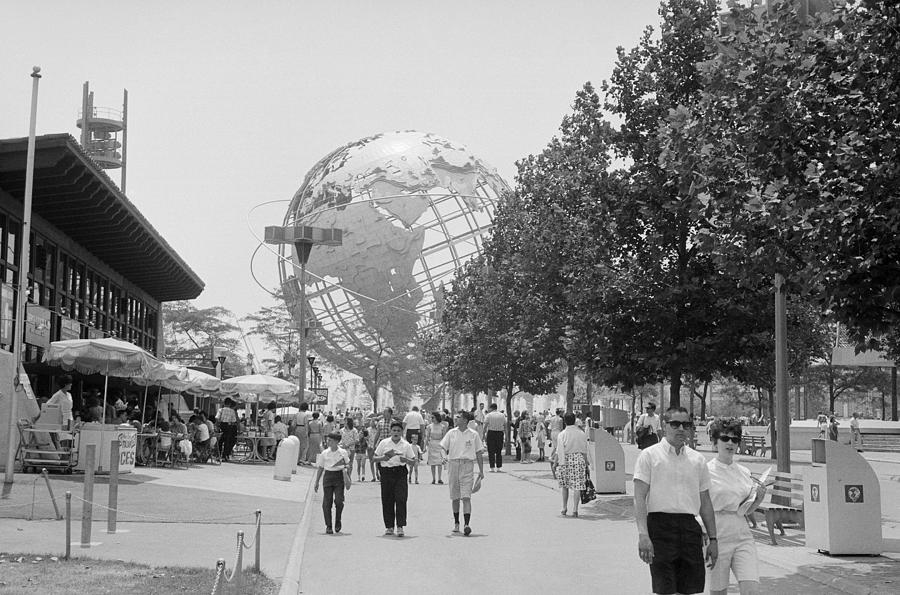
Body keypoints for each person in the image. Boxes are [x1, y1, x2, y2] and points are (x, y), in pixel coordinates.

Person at [634, 406, 718, 595]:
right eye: (675, 424)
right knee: (666, 590)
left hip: (689, 528)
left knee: (689, 590)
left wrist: (713, 538)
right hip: (660, 528)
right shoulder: (649, 455)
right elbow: (639, 498)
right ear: (664, 426)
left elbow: (705, 502)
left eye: (686, 424)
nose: (681, 428)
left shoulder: (698, 460)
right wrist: (643, 535)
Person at [706, 418, 766, 595]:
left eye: (735, 439)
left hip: (741, 532)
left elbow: (745, 509)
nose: (730, 443)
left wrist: (758, 499)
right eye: (725, 438)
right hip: (716, 533)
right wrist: (707, 536)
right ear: (715, 442)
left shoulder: (744, 472)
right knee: (718, 590)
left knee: (751, 588)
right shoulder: (705, 471)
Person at [441, 410, 485, 536]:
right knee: (455, 496)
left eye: (459, 417)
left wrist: (481, 471)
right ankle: (456, 523)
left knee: (466, 496)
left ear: (465, 420)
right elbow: (443, 447)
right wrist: (444, 456)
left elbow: (478, 452)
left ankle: (467, 524)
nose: (456, 418)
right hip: (453, 464)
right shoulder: (451, 433)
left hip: (467, 465)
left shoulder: (473, 434)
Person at [373, 421, 416, 536]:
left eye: (398, 431)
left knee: (401, 499)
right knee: (387, 500)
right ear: (390, 431)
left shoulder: (406, 445)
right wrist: (385, 457)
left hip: (400, 473)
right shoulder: (384, 443)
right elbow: (374, 458)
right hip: (386, 472)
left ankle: (400, 526)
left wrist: (406, 460)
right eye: (394, 430)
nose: (396, 433)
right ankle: (389, 526)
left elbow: (413, 461)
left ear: (402, 432)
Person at [313, 432, 351, 534]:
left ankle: (338, 520)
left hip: (339, 477)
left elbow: (347, 464)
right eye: (328, 440)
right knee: (327, 502)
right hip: (328, 477)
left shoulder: (343, 452)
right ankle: (328, 525)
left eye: (330, 440)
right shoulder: (324, 453)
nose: (328, 442)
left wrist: (347, 475)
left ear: (336, 442)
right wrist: (316, 481)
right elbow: (321, 467)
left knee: (339, 501)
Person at [554, 413, 590, 517]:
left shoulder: (562, 434)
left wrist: (555, 463)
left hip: (565, 460)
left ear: (564, 421)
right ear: (574, 420)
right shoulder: (581, 433)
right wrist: (586, 462)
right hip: (578, 459)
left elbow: (558, 450)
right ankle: (575, 509)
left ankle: (564, 507)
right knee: (577, 486)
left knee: (565, 486)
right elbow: (584, 450)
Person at [482, 403, 506, 473]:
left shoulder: (488, 415)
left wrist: (483, 435)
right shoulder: (502, 415)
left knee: (491, 451)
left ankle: (492, 467)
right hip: (500, 433)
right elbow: (505, 425)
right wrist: (506, 435)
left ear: (491, 408)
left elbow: (485, 426)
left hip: (491, 433)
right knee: (499, 451)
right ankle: (499, 467)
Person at [426, 411, 448, 483]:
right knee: (432, 463)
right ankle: (433, 478)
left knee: (439, 462)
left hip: (440, 444)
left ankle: (439, 478)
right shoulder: (429, 426)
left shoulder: (442, 426)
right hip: (432, 444)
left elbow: (444, 437)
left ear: (437, 418)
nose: (432, 419)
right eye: (431, 417)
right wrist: (425, 445)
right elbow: (427, 437)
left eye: (433, 417)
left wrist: (445, 447)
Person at [217, 397, 239, 462]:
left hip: (221, 426)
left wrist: (218, 425)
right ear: (230, 404)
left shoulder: (220, 410)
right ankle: (224, 456)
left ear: (224, 403)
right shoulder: (232, 411)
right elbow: (234, 421)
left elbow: (217, 418)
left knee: (220, 441)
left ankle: (218, 455)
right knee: (227, 441)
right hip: (229, 427)